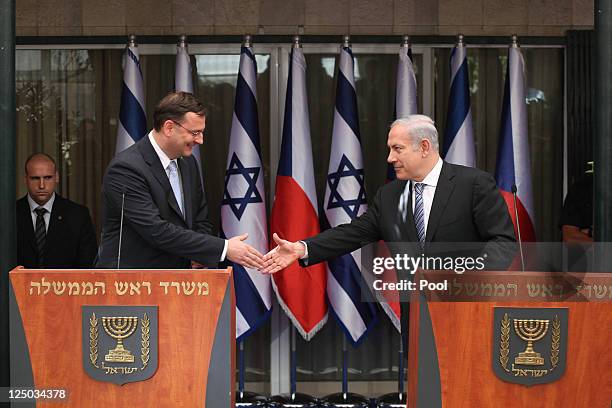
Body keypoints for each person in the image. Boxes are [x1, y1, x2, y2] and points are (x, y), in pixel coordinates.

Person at [261, 114, 516, 335]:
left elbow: (503, 245)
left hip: (468, 312)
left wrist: (462, 280)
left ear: (424, 147)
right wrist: (301, 248)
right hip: (417, 319)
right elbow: (354, 233)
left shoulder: (473, 185)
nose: (390, 158)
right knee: (421, 389)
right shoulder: (390, 195)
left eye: (398, 149)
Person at [95, 92, 263, 269]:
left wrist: (201, 255)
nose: (200, 140)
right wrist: (224, 248)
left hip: (179, 284)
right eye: (195, 133)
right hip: (131, 286)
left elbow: (200, 220)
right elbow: (156, 231)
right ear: (169, 127)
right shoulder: (126, 170)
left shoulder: (188, 163)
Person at [16, 153, 97, 268]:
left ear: (57, 177)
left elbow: (88, 266)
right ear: (26, 179)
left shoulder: (78, 216)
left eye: (48, 178)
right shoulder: (10, 214)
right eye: (35, 178)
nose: (42, 185)